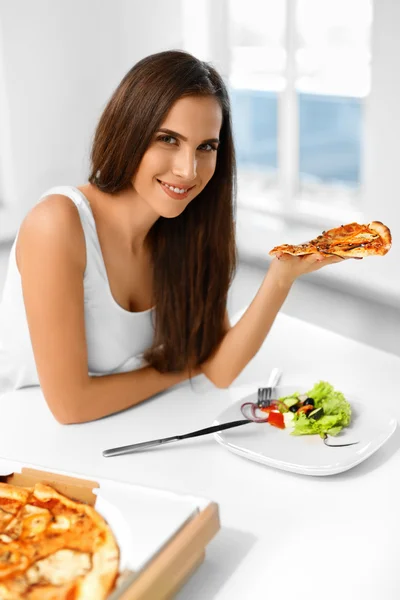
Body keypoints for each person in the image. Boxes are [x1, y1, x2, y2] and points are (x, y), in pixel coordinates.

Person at [0, 50, 345, 424]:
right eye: (167, 139)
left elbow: (220, 369)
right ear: (129, 130)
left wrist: (281, 277)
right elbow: (71, 407)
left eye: (206, 147)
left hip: (122, 428)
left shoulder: (189, 229)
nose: (187, 169)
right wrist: (183, 367)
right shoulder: (57, 224)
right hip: (30, 444)